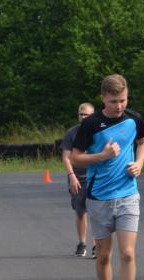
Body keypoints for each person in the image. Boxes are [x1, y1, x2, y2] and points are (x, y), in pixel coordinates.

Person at [71, 74, 144, 280]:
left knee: (128, 253)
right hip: (99, 196)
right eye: (114, 101)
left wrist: (139, 163)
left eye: (123, 100)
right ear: (103, 98)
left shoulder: (134, 119)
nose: (119, 106)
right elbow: (76, 158)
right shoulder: (92, 124)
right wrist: (103, 156)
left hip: (128, 193)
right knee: (104, 255)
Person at [61, 102, 96, 258]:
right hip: (78, 176)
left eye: (87, 115)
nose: (83, 117)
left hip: (96, 176)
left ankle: (97, 245)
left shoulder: (99, 132)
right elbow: (66, 157)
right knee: (81, 212)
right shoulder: (72, 133)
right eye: (81, 114)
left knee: (97, 212)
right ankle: (82, 243)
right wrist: (71, 176)